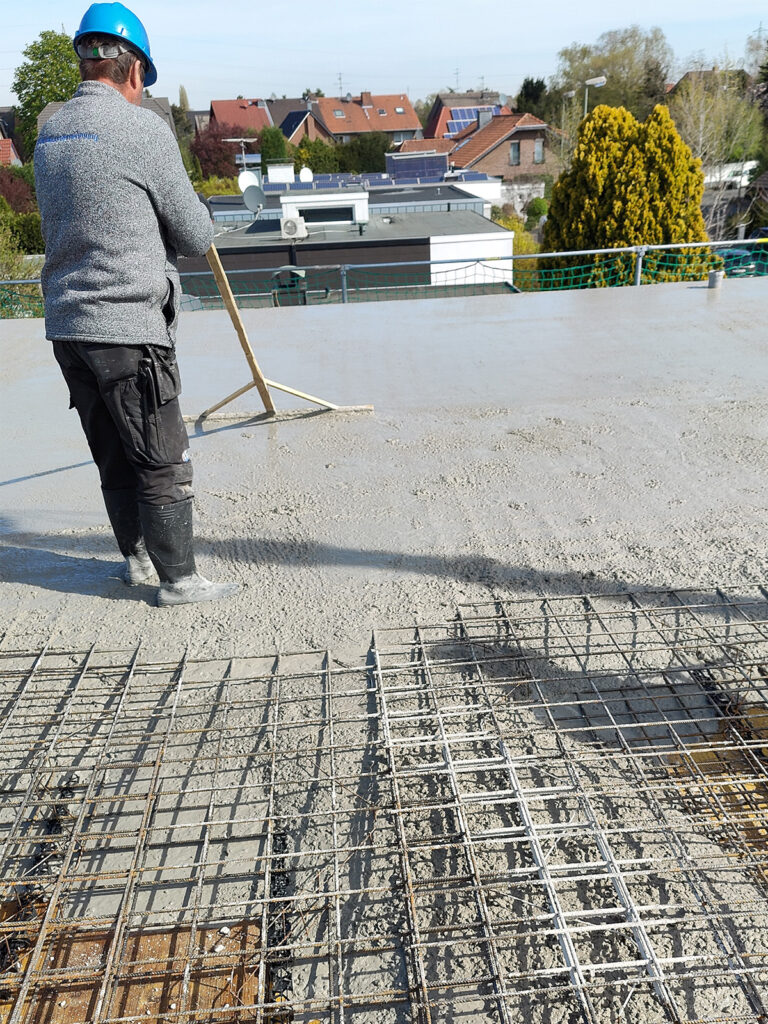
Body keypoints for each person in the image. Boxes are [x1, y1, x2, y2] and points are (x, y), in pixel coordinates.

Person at [34, 2, 238, 607]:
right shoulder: (143, 129)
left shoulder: (50, 130)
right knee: (159, 452)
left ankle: (138, 562)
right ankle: (179, 581)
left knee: (113, 452)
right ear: (135, 71)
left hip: (68, 325)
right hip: (127, 324)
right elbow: (194, 236)